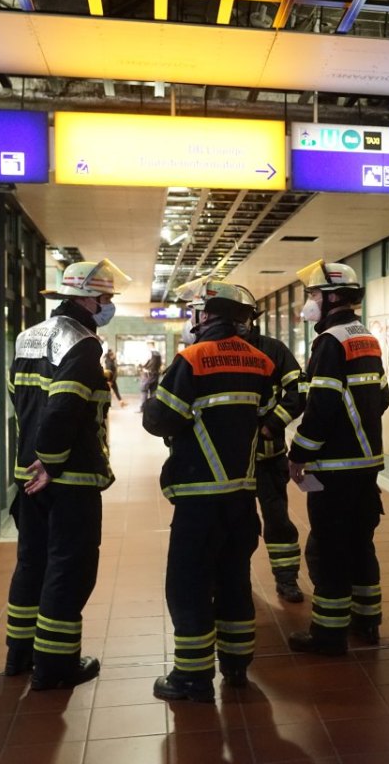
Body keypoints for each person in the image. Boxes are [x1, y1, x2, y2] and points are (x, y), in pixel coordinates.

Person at [143, 279, 276, 703]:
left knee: (189, 583)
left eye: (193, 312)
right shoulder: (260, 361)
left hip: (199, 496)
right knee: (234, 578)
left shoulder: (193, 359)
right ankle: (236, 664)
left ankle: (192, 677)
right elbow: (266, 413)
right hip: (242, 494)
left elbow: (161, 419)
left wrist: (151, 403)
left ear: (206, 315)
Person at [4, 258, 128, 691]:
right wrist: (52, 461)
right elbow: (65, 405)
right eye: (106, 298)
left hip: (27, 476)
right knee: (68, 567)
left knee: (31, 562)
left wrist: (33, 464)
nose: (108, 305)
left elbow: (20, 402)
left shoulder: (28, 337)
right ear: (88, 298)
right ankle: (56, 666)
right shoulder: (82, 342)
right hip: (67, 477)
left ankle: (19, 653)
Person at [287, 260, 389, 656]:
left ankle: (328, 634)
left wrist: (299, 453)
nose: (309, 303)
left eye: (313, 295)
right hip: (366, 466)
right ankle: (367, 622)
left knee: (328, 548)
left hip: (334, 467)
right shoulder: (366, 337)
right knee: (361, 542)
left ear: (331, 297)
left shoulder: (329, 341)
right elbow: (381, 398)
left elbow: (322, 406)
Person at [241, 299, 307, 604]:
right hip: (229, 463)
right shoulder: (213, 350)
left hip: (268, 457)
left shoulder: (273, 349)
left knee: (278, 521)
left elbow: (298, 391)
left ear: (254, 318)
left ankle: (287, 579)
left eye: (245, 316)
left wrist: (271, 425)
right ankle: (235, 579)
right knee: (234, 525)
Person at [100, 341, 127, 408]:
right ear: (110, 355)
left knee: (115, 391)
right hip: (110, 380)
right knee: (109, 392)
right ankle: (109, 403)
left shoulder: (111, 361)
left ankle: (121, 402)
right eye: (113, 354)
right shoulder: (109, 363)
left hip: (112, 379)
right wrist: (110, 381)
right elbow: (109, 372)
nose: (114, 355)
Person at [138, 340, 162, 410]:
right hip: (156, 375)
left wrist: (139, 364)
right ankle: (153, 408)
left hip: (147, 375)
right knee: (153, 392)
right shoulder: (158, 353)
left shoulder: (149, 353)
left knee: (144, 391)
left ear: (149, 345)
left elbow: (143, 363)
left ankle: (143, 407)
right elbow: (160, 364)